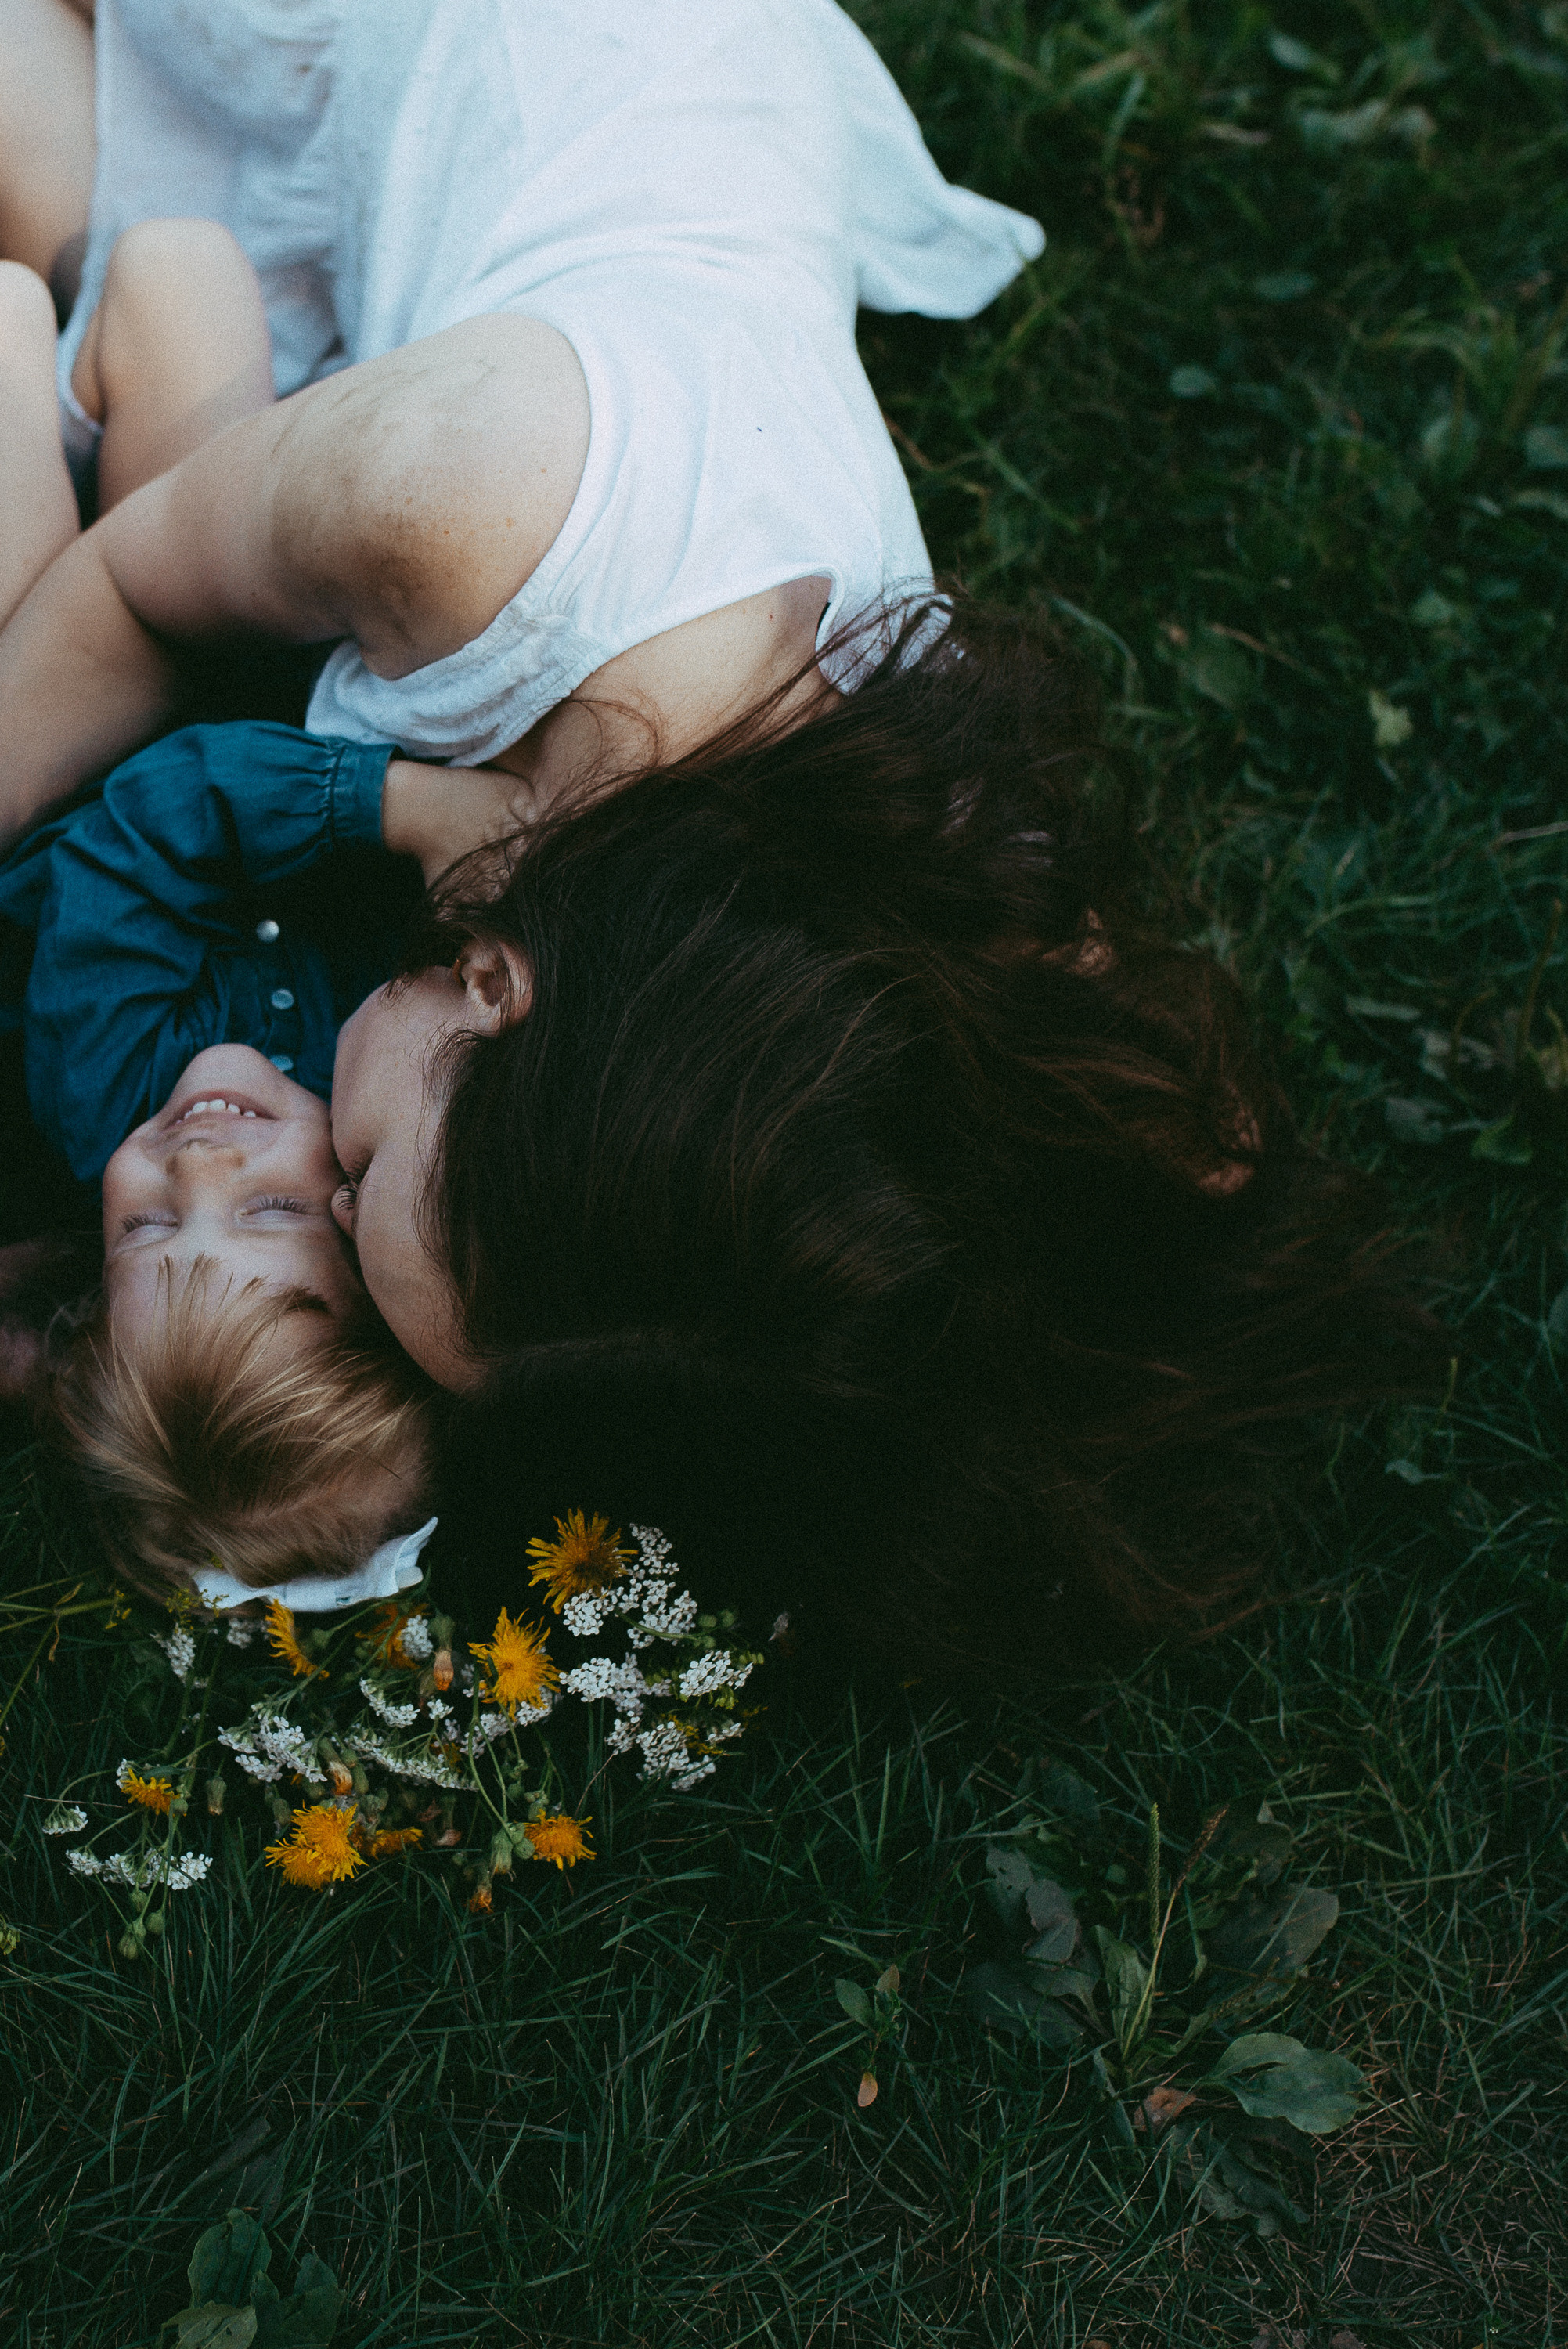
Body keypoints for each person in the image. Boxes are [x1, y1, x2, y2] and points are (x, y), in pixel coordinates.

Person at [0, 3, 1442, 1678]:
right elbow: (129, 583)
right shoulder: (462, 502)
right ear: (489, 980)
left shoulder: (879, 934)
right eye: (364, 1178)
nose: (308, 1161)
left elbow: (1165, 1139)